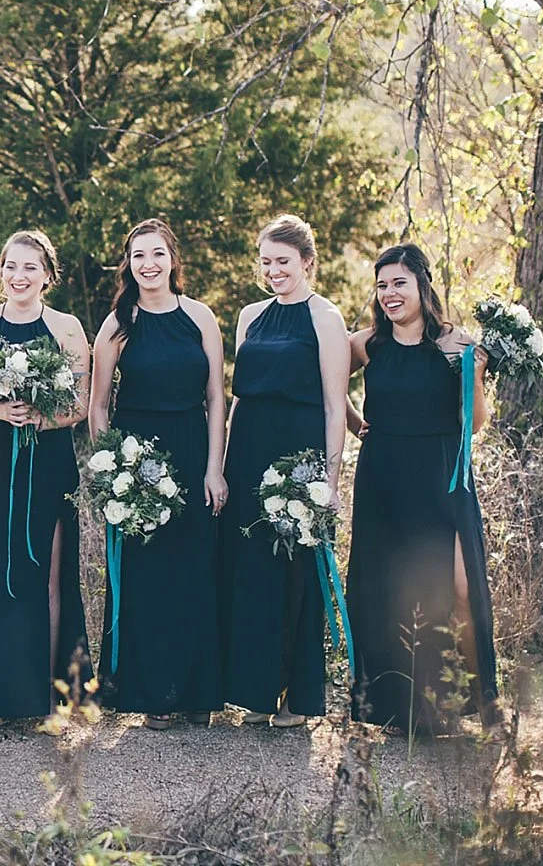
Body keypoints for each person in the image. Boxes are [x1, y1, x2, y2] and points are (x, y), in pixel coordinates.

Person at [346, 243, 499, 733]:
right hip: (384, 476)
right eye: (382, 284)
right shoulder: (366, 344)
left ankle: (488, 706)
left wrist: (474, 380)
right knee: (391, 593)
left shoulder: (458, 345)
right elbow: (323, 387)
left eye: (400, 283)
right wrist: (354, 422)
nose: (390, 293)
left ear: (422, 286)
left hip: (441, 478)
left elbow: (473, 425)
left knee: (461, 590)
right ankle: (405, 711)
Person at [88, 219, 227, 729]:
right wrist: (113, 468)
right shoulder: (117, 324)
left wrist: (215, 468)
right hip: (135, 461)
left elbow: (217, 398)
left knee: (193, 572)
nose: (148, 264)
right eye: (138, 256)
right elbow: (98, 406)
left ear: (173, 259)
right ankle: (152, 696)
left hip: (192, 453)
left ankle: (195, 695)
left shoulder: (200, 318)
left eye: (157, 254)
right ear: (129, 264)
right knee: (148, 575)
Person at [218, 215, 349, 728]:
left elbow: (335, 407)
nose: (274, 270)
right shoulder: (250, 315)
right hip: (248, 448)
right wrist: (224, 464)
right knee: (249, 568)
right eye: (267, 261)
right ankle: (254, 692)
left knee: (295, 572)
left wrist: (330, 483)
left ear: (307, 262)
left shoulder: (326, 318)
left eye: (284, 262)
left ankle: (297, 697)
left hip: (299, 454)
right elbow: (235, 397)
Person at [0, 229, 91, 725]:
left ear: (48, 276)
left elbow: (78, 405)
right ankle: (3, 701)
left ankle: (48, 697)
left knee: (49, 578)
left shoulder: (66, 327)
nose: (18, 276)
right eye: (11, 266)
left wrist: (41, 416)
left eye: (30, 267)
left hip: (48, 463)